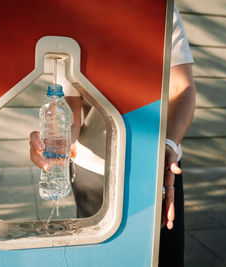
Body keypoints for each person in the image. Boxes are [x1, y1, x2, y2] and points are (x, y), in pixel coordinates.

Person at [30, 5, 195, 267]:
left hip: (157, 161)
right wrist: (56, 141)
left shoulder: (161, 11)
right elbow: (71, 108)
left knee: (164, 256)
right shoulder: (74, 15)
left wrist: (170, 143)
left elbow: (183, 89)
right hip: (93, 171)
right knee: (104, 258)